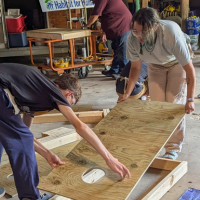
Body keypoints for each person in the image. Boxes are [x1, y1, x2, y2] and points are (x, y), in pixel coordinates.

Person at [0, 63, 130, 200]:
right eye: (69, 103)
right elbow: (80, 126)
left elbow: (25, 133)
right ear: (69, 94)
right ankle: (31, 197)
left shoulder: (35, 91)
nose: (64, 107)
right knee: (20, 140)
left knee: (6, 134)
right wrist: (109, 158)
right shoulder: (54, 91)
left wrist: (48, 154)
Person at [118, 7, 196, 160]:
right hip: (155, 65)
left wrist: (190, 99)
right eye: (136, 31)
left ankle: (173, 148)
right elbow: (135, 68)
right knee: (158, 105)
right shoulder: (133, 38)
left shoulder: (170, 33)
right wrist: (127, 93)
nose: (139, 35)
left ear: (155, 26)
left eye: (143, 32)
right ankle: (160, 143)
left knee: (172, 104)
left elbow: (190, 71)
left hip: (176, 64)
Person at [86, 0, 132, 79]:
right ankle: (114, 70)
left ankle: (124, 73)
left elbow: (95, 15)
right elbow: (105, 17)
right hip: (116, 26)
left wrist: (86, 26)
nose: (91, 1)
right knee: (116, 48)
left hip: (123, 25)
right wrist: (103, 33)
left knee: (122, 50)